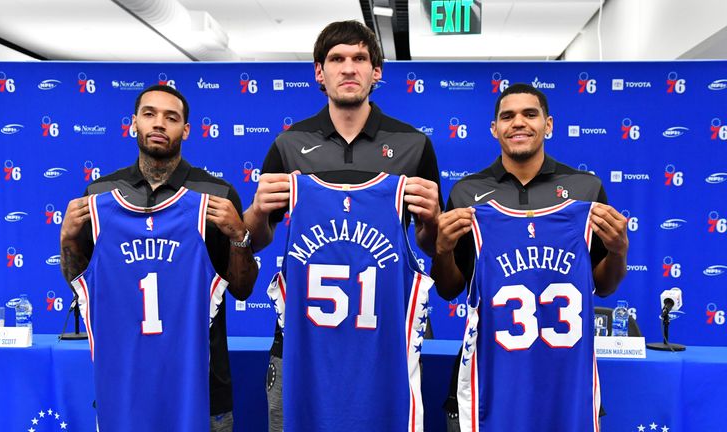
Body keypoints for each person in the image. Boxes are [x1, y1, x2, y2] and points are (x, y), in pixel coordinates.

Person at [242, 20, 443, 431]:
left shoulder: (413, 144)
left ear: (376, 71)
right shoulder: (289, 144)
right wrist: (258, 213)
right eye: (337, 59)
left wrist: (434, 221)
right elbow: (258, 238)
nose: (348, 68)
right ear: (320, 72)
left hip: (384, 346)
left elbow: (427, 243)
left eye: (359, 58)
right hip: (300, 347)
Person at [59, 84, 258, 432]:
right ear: (133, 122)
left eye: (172, 117)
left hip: (203, 387)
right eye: (149, 114)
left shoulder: (216, 195)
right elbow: (80, 282)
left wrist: (240, 236)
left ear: (186, 130)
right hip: (126, 386)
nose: (159, 124)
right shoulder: (101, 194)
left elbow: (242, 290)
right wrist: (67, 239)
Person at [431, 83, 628, 431]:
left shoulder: (585, 189)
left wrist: (618, 251)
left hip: (567, 378)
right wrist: (443, 251)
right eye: (507, 116)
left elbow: (604, 285)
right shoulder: (468, 193)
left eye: (529, 114)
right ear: (495, 129)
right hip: (491, 374)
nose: (518, 122)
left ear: (548, 124)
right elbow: (450, 289)